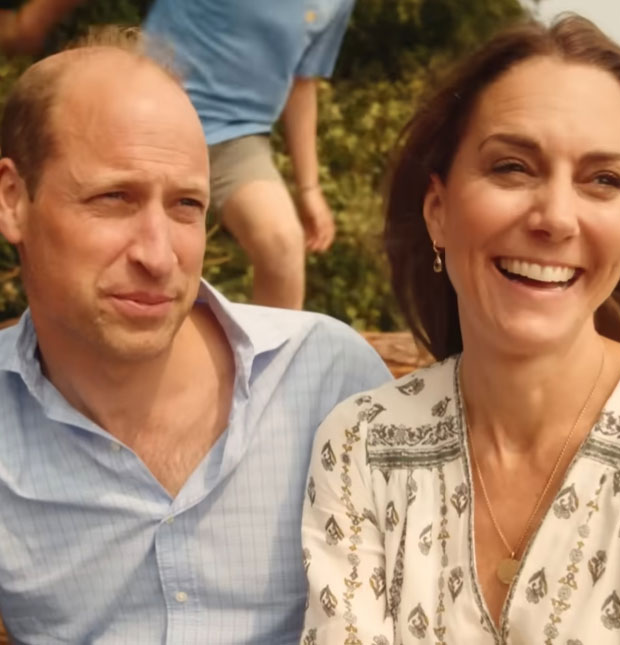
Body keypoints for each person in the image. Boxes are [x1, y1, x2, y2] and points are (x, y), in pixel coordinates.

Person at [0, 30, 391, 644]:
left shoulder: (330, 381)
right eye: (114, 197)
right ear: (12, 200)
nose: (158, 256)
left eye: (186, 205)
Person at [300, 14, 620, 645]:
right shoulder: (364, 445)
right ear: (438, 211)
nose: (557, 218)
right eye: (512, 167)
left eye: (603, 180)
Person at [0, 0, 355, 310]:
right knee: (81, 216)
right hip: (147, 110)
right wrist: (30, 23)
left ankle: (272, 363)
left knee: (282, 243)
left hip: (236, 135)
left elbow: (302, 83)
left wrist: (310, 188)